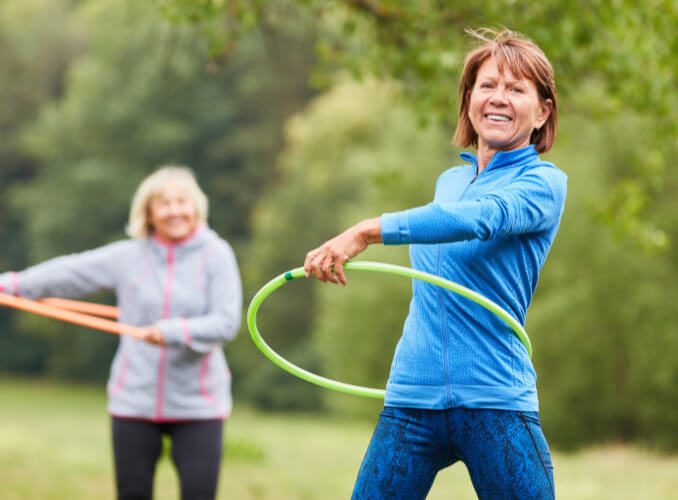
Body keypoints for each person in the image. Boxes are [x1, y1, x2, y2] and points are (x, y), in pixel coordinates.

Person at [304, 28, 565, 499]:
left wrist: (366, 231)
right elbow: (447, 222)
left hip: (495, 401)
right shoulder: (449, 181)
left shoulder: (544, 183)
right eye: (487, 85)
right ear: (469, 100)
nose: (497, 98)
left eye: (516, 88)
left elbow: (479, 219)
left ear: (542, 111)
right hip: (411, 398)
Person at [0, 166, 242, 500]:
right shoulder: (129, 256)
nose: (174, 211)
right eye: (164, 203)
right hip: (134, 402)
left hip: (199, 405)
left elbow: (226, 322)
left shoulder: (217, 255)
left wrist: (169, 331)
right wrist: (9, 285)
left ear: (196, 207)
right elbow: (68, 272)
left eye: (181, 201)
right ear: (149, 213)